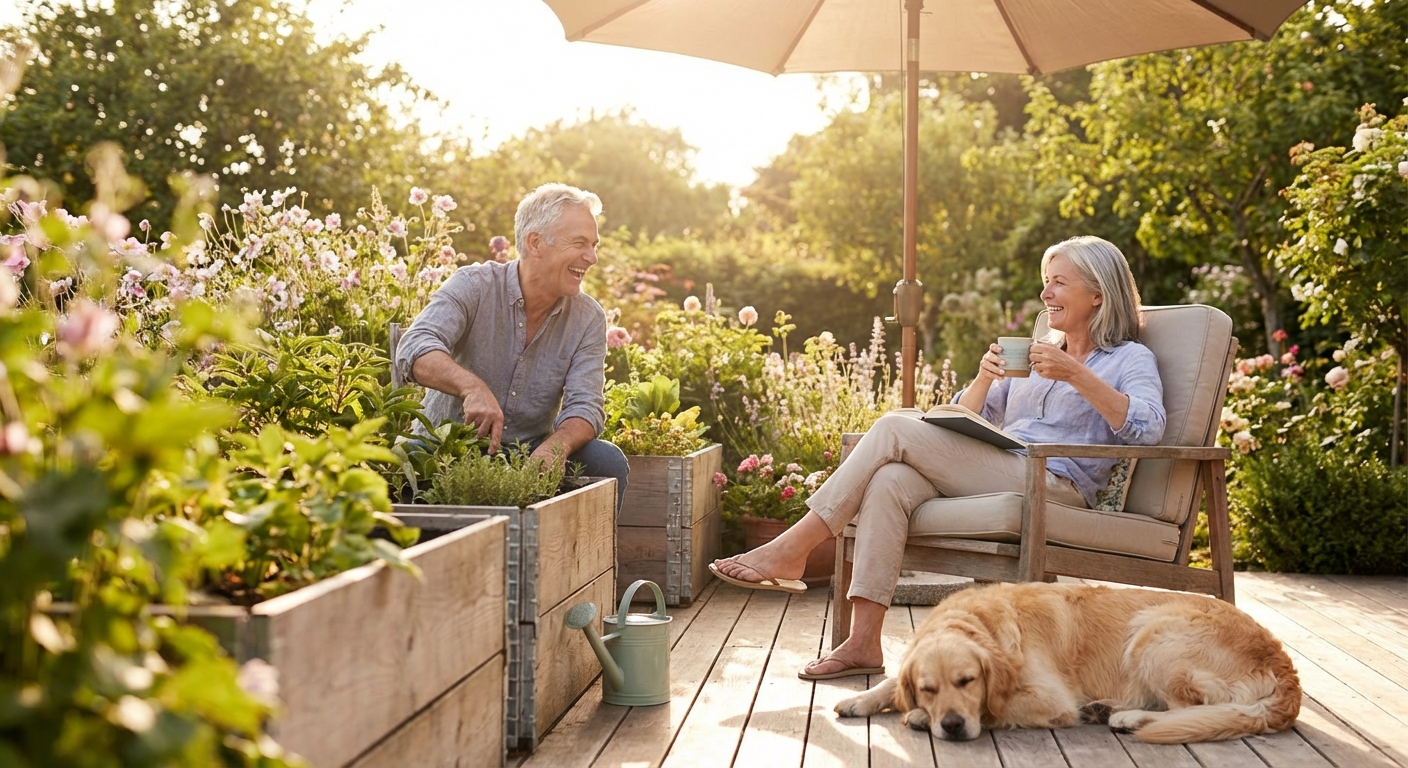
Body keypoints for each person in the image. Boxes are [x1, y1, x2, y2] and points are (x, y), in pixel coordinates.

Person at [711, 236, 1166, 680]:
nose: (1045, 293)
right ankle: (863, 642)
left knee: (893, 427)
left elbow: (1148, 428)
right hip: (1001, 465)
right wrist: (985, 381)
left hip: (1055, 484)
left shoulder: (1129, 359)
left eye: (1059, 283)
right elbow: (963, 418)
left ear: (1098, 294)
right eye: (1046, 282)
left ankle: (793, 547)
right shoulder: (1033, 356)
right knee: (890, 479)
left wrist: (1077, 375)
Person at [394, 183, 628, 507]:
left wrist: (558, 445)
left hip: (525, 458)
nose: (592, 257)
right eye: (580, 244)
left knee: (607, 462)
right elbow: (414, 346)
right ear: (535, 243)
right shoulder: (474, 286)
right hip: (445, 449)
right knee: (407, 457)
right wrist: (471, 387)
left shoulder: (588, 318)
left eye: (593, 245)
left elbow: (585, 406)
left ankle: (583, 558)